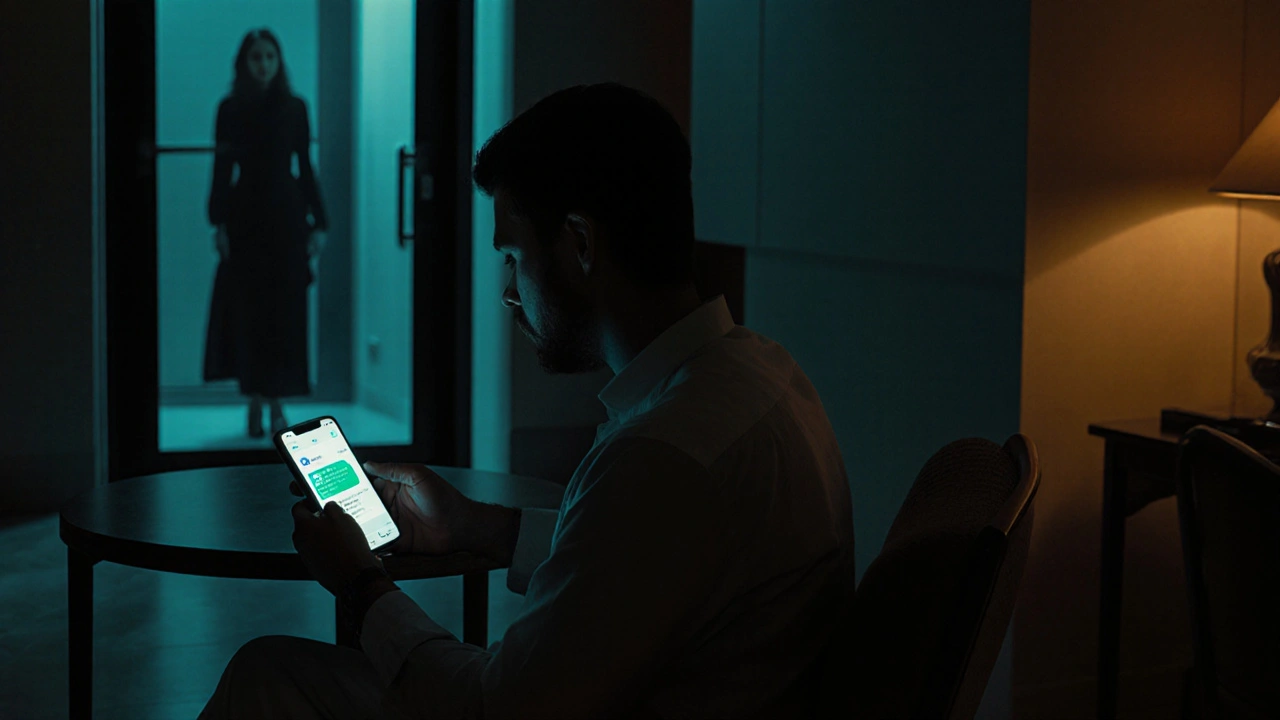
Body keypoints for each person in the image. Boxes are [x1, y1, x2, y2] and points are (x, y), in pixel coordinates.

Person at [200, 83, 855, 719]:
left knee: (269, 675)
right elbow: (633, 567)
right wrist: (468, 524)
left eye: (513, 258)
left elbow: (495, 707)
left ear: (580, 243)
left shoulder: (663, 456)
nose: (508, 291)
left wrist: (361, 585)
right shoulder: (762, 375)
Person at [204, 28, 327, 437]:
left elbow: (304, 167)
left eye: (270, 57)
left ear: (279, 62)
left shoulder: (295, 107)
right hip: (246, 219)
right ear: (244, 63)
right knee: (250, 312)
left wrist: (319, 222)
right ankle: (256, 400)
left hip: (286, 218)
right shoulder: (230, 108)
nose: (263, 64)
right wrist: (218, 223)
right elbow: (222, 171)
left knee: (285, 314)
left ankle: (276, 403)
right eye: (256, 57)